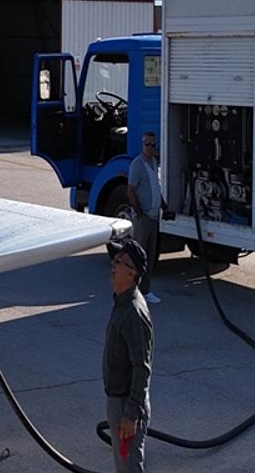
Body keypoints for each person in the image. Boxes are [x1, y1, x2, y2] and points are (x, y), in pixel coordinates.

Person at [104, 237, 154, 473]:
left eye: (120, 261)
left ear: (132, 273)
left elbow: (142, 368)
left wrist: (130, 414)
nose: (113, 263)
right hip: (119, 402)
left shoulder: (133, 312)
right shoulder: (122, 302)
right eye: (114, 259)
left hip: (126, 405)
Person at [126, 131, 162, 303]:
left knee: (150, 256)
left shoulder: (154, 163)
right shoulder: (137, 165)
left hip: (154, 217)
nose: (149, 147)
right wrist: (139, 213)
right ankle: (132, 291)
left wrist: (164, 207)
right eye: (146, 144)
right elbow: (130, 191)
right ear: (142, 145)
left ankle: (146, 290)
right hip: (143, 217)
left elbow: (156, 188)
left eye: (152, 145)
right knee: (138, 256)